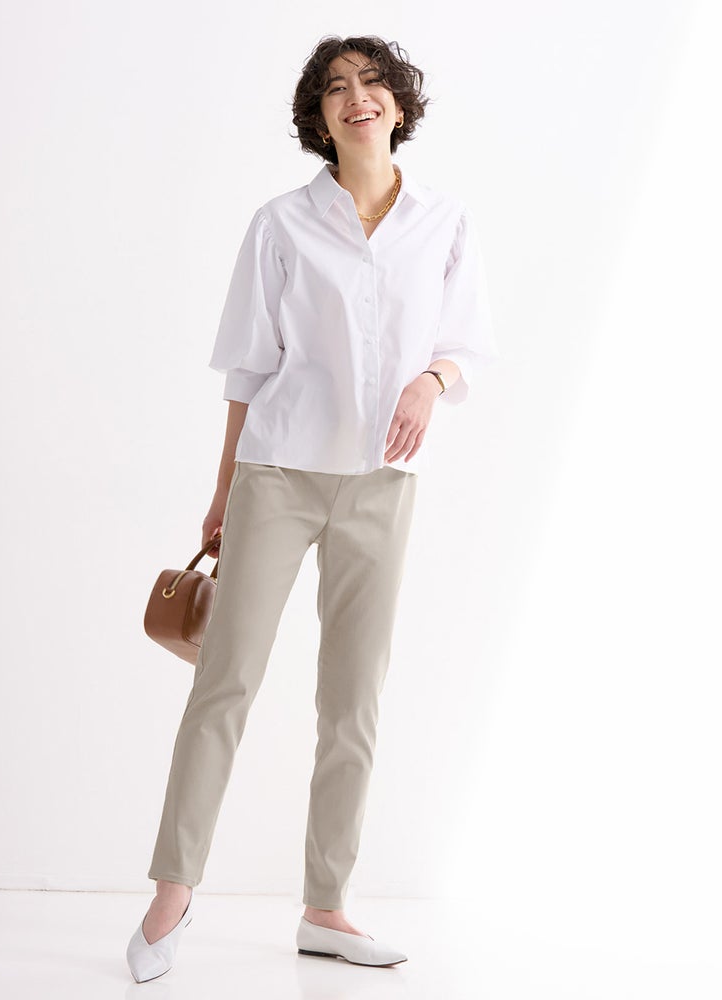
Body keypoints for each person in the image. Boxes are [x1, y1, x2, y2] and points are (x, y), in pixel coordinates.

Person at [126, 33, 498, 982]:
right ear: (319, 117)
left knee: (353, 701)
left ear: (400, 106)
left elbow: (466, 346)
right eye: (336, 88)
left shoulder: (445, 223)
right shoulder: (281, 224)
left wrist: (429, 382)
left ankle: (327, 907)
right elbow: (248, 369)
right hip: (278, 474)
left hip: (383, 481)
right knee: (224, 681)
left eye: (373, 83)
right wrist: (223, 489)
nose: (357, 97)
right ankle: (172, 893)